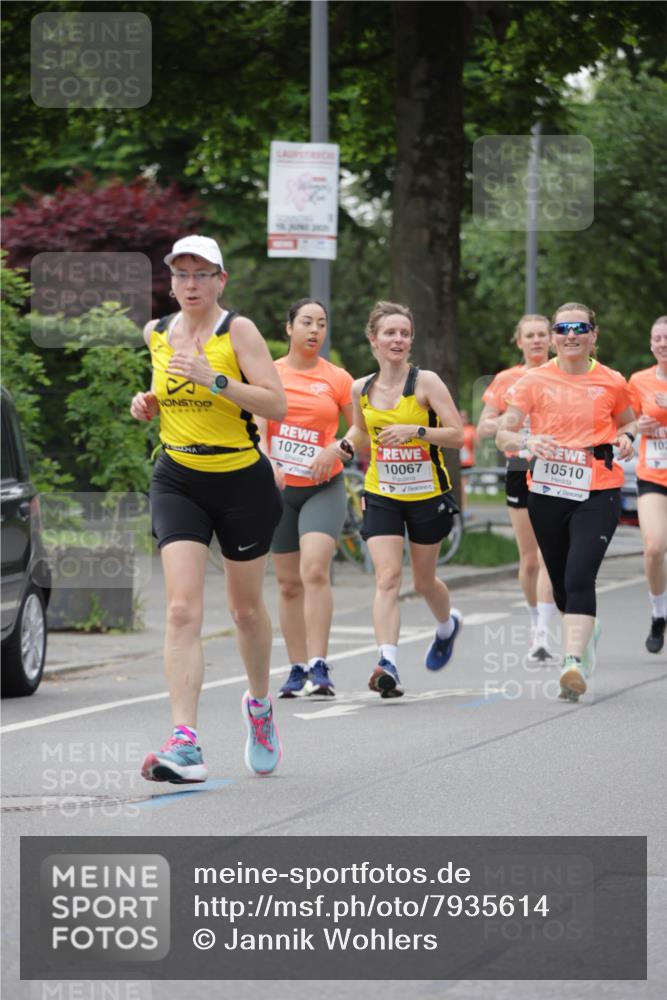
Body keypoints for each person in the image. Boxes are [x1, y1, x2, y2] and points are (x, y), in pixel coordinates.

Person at [130, 234, 287, 782]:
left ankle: (261, 707)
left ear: (221, 280)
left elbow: (276, 404)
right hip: (178, 477)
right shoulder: (156, 333)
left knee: (245, 611)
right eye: (181, 274)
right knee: (180, 609)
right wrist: (147, 403)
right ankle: (185, 741)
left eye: (202, 274)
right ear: (170, 283)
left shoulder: (236, 331)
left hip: (242, 479)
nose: (191, 284)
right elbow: (165, 395)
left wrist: (216, 380)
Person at [496, 302, 637, 701]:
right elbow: (503, 434)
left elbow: (626, 420)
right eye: (563, 329)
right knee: (560, 584)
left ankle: (571, 661)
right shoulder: (532, 381)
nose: (570, 335)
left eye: (579, 328)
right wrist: (526, 441)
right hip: (546, 490)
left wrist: (627, 437)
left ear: (594, 334)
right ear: (555, 336)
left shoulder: (611, 380)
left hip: (599, 489)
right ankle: (587, 630)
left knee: (579, 575)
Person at [339, 301, 464, 697]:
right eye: (390, 333)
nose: (398, 339)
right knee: (388, 577)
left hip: (427, 494)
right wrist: (340, 446)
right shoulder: (361, 387)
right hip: (382, 493)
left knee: (424, 581)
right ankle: (388, 662)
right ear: (373, 339)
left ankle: (447, 626)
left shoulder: (426, 383)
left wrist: (417, 431)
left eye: (404, 333)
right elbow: (359, 431)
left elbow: (458, 435)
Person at [255, 298, 354, 698]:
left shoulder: (338, 379)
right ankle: (296, 667)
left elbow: (359, 431)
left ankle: (319, 664)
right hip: (279, 490)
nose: (315, 330)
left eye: (321, 324)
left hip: (323, 486)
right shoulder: (269, 374)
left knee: (314, 571)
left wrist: (337, 449)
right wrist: (267, 461)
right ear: (289, 328)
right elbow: (258, 427)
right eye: (307, 322)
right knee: (287, 583)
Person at [477, 314, 557, 662]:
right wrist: (512, 420)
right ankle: (534, 620)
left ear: (551, 340)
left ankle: (544, 634)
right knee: (528, 560)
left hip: (554, 466)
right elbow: (483, 428)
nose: (537, 341)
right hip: (519, 464)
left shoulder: (561, 374)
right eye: (530, 336)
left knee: (548, 556)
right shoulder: (507, 379)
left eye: (542, 334)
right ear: (519, 342)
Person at [628, 316, 667, 654]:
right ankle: (658, 614)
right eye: (658, 338)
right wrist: (637, 426)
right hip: (653, 474)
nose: (663, 343)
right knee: (654, 548)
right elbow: (624, 423)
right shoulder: (639, 381)